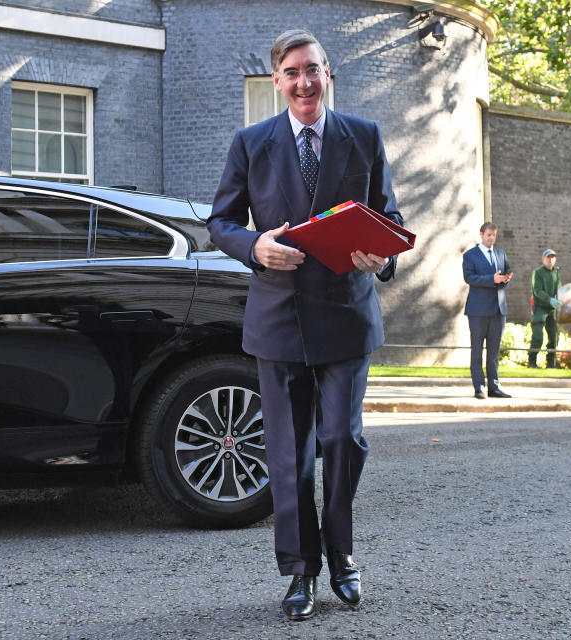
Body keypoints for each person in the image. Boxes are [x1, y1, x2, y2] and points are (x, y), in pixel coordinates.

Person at [206, 29, 403, 622]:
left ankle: (340, 551)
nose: (304, 82)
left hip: (346, 312)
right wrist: (255, 245)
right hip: (279, 317)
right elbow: (220, 221)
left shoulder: (363, 136)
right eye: (292, 73)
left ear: (327, 73)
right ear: (277, 81)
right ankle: (300, 570)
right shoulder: (251, 143)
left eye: (313, 70)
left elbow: (388, 215)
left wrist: (383, 255)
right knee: (289, 454)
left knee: (342, 439)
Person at [462, 222, 513, 399]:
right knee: (477, 351)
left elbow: (505, 274)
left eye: (494, 235)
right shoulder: (470, 255)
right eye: (488, 235)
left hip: (498, 310)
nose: (491, 238)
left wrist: (506, 279)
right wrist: (491, 279)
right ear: (481, 235)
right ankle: (479, 387)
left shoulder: (501, 253)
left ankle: (494, 387)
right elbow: (469, 278)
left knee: (493, 352)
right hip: (478, 311)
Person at [529, 249, 561, 368]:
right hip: (540, 308)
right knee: (538, 336)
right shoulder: (538, 272)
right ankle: (532, 362)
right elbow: (537, 291)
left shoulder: (556, 272)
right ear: (543, 259)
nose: (550, 259)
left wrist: (559, 298)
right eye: (548, 257)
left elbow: (558, 286)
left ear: (555, 259)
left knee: (554, 336)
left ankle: (551, 363)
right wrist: (549, 299)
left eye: (552, 257)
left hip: (552, 310)